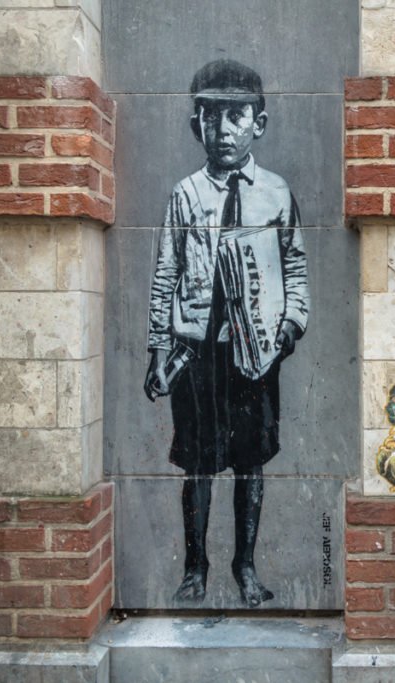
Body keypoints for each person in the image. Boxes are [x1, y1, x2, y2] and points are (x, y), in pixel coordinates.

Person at [144, 59, 310, 607]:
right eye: (210, 116)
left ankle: (245, 566)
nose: (223, 130)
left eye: (236, 116)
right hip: (197, 353)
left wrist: (289, 326)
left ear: (258, 123)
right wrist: (159, 347)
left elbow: (295, 265)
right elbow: (165, 271)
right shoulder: (186, 194)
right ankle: (195, 568)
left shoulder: (276, 193)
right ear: (196, 125)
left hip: (254, 351)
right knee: (198, 464)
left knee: (249, 463)